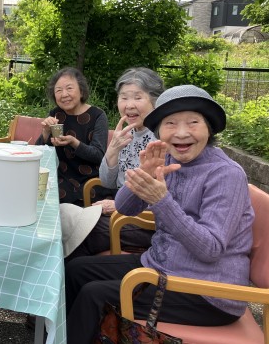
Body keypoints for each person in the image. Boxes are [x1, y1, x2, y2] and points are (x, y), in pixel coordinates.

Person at [64, 85, 254, 344]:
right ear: (160, 132)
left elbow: (211, 248)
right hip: (160, 267)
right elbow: (125, 208)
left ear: (209, 129)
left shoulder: (226, 174)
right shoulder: (168, 160)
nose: (182, 132)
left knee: (93, 295)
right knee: (76, 270)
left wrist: (161, 200)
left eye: (193, 122)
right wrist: (144, 173)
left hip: (208, 292)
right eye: (170, 123)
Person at [67, 67, 164, 259]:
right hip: (121, 209)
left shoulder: (162, 138)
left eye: (137, 97)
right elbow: (106, 181)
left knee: (78, 233)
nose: (129, 105)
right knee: (66, 217)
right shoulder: (128, 133)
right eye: (124, 97)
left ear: (155, 101)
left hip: (144, 221)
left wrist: (119, 206)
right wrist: (113, 149)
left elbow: (167, 197)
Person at [36, 67, 108, 205]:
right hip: (61, 178)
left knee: (53, 197)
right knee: (37, 189)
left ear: (81, 91)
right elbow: (39, 155)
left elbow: (99, 155)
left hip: (90, 180)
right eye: (59, 90)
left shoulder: (98, 115)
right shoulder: (55, 114)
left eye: (69, 88)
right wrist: (45, 133)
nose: (64, 94)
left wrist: (74, 143)